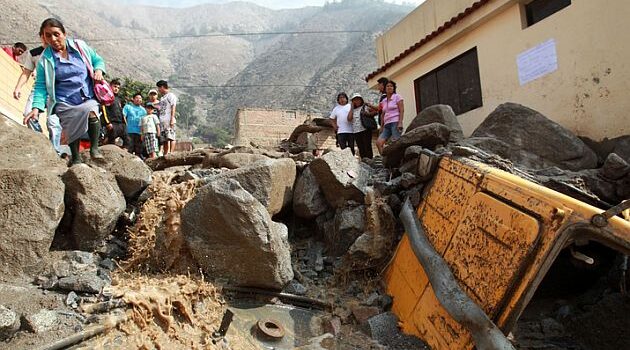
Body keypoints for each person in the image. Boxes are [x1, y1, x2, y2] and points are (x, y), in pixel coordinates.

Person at [24, 18, 106, 165]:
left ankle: (94, 149)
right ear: (44, 37)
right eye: (48, 35)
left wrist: (99, 70)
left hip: (86, 95)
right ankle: (75, 157)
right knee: (70, 125)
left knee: (92, 111)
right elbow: (41, 86)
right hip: (64, 99)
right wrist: (36, 108)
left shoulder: (80, 46)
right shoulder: (45, 59)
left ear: (64, 33)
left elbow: (97, 60)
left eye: (56, 34)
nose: (53, 39)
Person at [13, 33, 65, 155]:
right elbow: (26, 72)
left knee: (53, 123)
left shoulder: (60, 52)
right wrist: (18, 87)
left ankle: (55, 151)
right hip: (38, 90)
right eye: (46, 35)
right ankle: (41, 142)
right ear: (42, 37)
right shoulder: (34, 53)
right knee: (28, 115)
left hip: (56, 92)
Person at [376, 80, 404, 154]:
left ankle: (399, 162)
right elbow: (382, 114)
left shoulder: (397, 97)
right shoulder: (384, 101)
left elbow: (401, 110)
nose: (389, 87)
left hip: (395, 122)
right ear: (385, 88)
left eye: (391, 86)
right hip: (386, 124)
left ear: (394, 88)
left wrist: (400, 122)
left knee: (396, 143)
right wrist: (381, 126)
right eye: (387, 86)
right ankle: (385, 161)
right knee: (379, 143)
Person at [348, 93, 375, 159]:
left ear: (361, 100)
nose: (356, 101)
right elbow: (349, 119)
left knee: (367, 146)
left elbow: (375, 111)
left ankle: (370, 160)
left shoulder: (365, 107)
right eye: (355, 100)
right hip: (356, 131)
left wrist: (368, 114)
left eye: (358, 99)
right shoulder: (352, 110)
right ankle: (364, 161)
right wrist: (351, 108)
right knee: (360, 147)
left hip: (365, 129)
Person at [101, 79, 128, 147]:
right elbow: (104, 110)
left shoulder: (119, 99)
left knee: (127, 140)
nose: (116, 89)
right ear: (110, 86)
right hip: (112, 123)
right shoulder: (107, 97)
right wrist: (107, 123)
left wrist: (124, 123)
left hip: (121, 124)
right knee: (111, 142)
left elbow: (121, 111)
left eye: (118, 88)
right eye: (115, 86)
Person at [156, 80, 177, 155]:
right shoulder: (162, 98)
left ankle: (171, 153)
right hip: (162, 120)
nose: (158, 90)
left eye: (158, 88)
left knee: (171, 137)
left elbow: (173, 107)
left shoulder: (171, 95)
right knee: (164, 139)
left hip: (169, 120)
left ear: (162, 87)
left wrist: (172, 118)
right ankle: (165, 154)